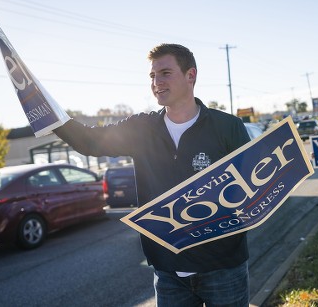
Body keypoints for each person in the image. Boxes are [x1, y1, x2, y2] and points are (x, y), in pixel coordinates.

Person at [54, 44, 251, 306]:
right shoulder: (142, 129)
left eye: (165, 73)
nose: (156, 82)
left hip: (223, 269)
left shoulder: (228, 127)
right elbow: (90, 142)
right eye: (152, 76)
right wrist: (48, 117)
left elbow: (250, 191)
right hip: (168, 272)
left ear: (190, 75)